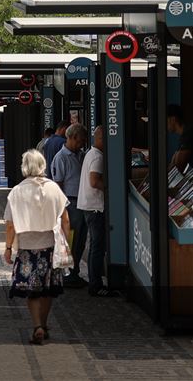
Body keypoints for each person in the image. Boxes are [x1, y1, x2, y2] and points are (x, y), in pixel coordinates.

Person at [4, 149, 70, 345]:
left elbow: (10, 224)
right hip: (50, 245)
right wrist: (67, 245)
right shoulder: (54, 189)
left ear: (24, 167)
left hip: (27, 248)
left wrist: (8, 248)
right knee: (47, 289)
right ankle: (44, 322)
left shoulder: (17, 191)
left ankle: (37, 325)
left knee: (32, 290)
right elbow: (66, 220)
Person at [78, 126, 118, 297]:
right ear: (101, 139)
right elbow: (94, 181)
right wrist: (111, 190)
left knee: (96, 245)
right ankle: (95, 284)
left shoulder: (90, 153)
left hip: (89, 205)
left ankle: (95, 281)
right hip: (95, 207)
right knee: (97, 246)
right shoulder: (98, 157)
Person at [48, 123, 88, 286]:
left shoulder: (81, 154)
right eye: (79, 141)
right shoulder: (61, 158)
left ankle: (74, 271)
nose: (82, 144)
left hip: (82, 201)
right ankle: (67, 273)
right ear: (71, 138)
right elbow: (58, 185)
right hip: (70, 203)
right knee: (70, 239)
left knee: (79, 239)